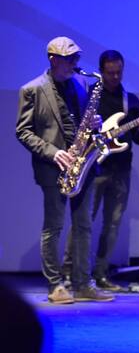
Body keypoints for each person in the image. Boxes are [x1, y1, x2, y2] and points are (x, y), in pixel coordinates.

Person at [15, 36, 113, 303]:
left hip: (83, 163)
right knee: (54, 227)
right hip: (53, 167)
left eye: (76, 58)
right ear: (53, 59)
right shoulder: (31, 89)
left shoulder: (82, 83)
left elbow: (84, 123)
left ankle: (83, 283)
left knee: (84, 226)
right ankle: (55, 285)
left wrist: (94, 124)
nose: (75, 64)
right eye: (69, 59)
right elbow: (23, 132)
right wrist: (53, 152)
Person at [64, 50, 139, 291]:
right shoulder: (88, 95)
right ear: (101, 71)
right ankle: (69, 272)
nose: (115, 77)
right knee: (83, 222)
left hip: (121, 169)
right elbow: (77, 130)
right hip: (93, 168)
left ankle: (101, 274)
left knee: (112, 225)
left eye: (119, 72)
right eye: (110, 72)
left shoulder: (130, 101)